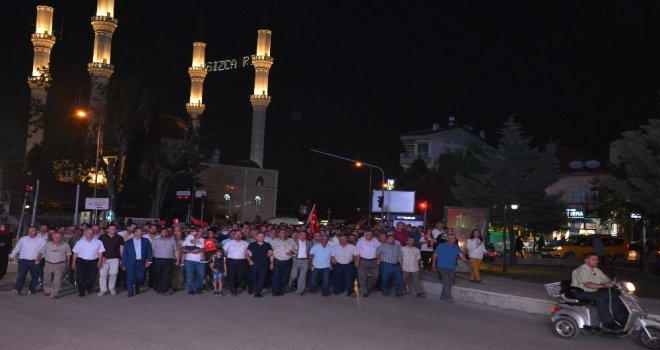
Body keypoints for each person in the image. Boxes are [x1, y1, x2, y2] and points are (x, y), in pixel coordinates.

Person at [570, 252, 627, 330]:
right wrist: (604, 286)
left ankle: (619, 320)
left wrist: (614, 283)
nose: (596, 261)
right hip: (579, 292)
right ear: (586, 260)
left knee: (615, 296)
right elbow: (588, 285)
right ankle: (607, 323)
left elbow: (605, 279)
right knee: (600, 299)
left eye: (597, 259)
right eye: (593, 259)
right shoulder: (581, 270)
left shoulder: (596, 269)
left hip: (592, 291)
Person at [431, 233, 468, 303]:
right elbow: (435, 256)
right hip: (442, 266)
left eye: (454, 238)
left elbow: (461, 256)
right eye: (452, 238)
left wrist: (468, 262)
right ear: (447, 239)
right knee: (447, 282)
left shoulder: (456, 247)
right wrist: (433, 265)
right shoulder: (441, 246)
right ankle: (448, 297)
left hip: (451, 267)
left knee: (449, 282)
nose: (454, 239)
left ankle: (442, 296)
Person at [10, 227, 46, 295]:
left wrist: (39, 259)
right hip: (23, 261)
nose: (30, 232)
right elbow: (17, 247)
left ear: (37, 232)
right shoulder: (23, 239)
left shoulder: (42, 240)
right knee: (21, 275)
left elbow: (44, 251)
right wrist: (12, 255)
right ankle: (18, 289)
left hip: (35, 261)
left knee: (35, 276)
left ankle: (32, 289)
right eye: (29, 230)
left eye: (32, 230)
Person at [72, 228, 105, 297]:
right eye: (88, 232)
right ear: (85, 233)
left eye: (91, 233)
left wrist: (99, 261)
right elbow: (75, 252)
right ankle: (81, 292)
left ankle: (89, 287)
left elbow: (100, 252)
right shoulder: (80, 242)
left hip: (93, 262)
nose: (90, 234)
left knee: (92, 277)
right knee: (80, 277)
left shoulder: (98, 242)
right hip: (81, 261)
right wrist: (73, 262)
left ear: (94, 234)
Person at [38, 231, 71, 298]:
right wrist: (37, 259)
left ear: (62, 237)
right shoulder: (48, 244)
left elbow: (68, 255)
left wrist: (68, 264)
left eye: (59, 237)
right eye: (55, 237)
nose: (57, 239)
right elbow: (41, 252)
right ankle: (47, 291)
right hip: (48, 264)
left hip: (60, 264)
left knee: (57, 280)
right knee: (47, 279)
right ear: (52, 237)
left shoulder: (66, 245)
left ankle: (54, 293)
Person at [121, 228, 153, 297]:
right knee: (130, 277)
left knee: (141, 277)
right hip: (130, 262)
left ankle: (137, 287)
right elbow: (124, 254)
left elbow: (149, 252)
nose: (142, 233)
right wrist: (123, 264)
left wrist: (149, 261)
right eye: (140, 231)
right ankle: (130, 291)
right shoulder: (128, 242)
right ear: (135, 233)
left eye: (142, 232)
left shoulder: (146, 241)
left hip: (141, 262)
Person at [98, 223, 124, 296]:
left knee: (114, 273)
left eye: (114, 229)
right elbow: (99, 248)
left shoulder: (119, 238)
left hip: (115, 258)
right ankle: (103, 289)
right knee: (103, 274)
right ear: (107, 230)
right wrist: (101, 257)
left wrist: (122, 259)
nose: (113, 230)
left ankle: (111, 288)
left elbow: (121, 249)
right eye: (111, 229)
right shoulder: (102, 237)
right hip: (104, 258)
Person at [152, 228, 180, 295]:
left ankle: (164, 290)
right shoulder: (155, 241)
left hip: (168, 260)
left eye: (166, 231)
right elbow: (152, 250)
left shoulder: (172, 241)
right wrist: (149, 260)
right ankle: (157, 288)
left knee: (166, 275)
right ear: (160, 233)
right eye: (163, 231)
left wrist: (177, 260)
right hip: (157, 260)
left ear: (168, 233)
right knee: (157, 274)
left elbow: (176, 250)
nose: (165, 233)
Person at [376, 233, 404, 297]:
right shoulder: (382, 247)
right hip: (386, 265)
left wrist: (401, 265)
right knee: (385, 279)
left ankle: (398, 293)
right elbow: (377, 254)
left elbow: (400, 256)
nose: (392, 240)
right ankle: (385, 292)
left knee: (399, 279)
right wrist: (378, 260)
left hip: (396, 265)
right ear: (386, 240)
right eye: (390, 238)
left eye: (393, 239)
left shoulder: (397, 247)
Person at [269, 228, 296, 296]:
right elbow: (269, 251)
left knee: (285, 277)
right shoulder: (274, 241)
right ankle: (275, 291)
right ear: (278, 234)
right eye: (281, 232)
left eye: (285, 232)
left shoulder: (291, 241)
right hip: (278, 261)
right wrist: (271, 262)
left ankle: (281, 290)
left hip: (288, 261)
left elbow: (295, 249)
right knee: (276, 276)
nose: (283, 233)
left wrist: (293, 252)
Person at [246, 232, 273, 298]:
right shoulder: (251, 245)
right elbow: (247, 254)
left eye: (262, 236)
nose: (261, 237)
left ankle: (258, 292)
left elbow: (270, 253)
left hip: (264, 264)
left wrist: (272, 262)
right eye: (259, 236)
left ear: (264, 237)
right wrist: (250, 261)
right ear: (256, 237)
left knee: (262, 278)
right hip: (253, 264)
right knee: (253, 278)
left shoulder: (267, 245)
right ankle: (251, 288)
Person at [224, 230, 250, 296]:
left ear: (242, 235)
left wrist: (247, 253)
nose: (238, 235)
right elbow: (223, 251)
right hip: (231, 261)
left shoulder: (245, 243)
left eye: (239, 234)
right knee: (232, 276)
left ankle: (234, 287)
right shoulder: (229, 243)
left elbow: (249, 253)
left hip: (242, 262)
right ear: (234, 235)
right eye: (236, 234)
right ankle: (233, 291)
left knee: (240, 276)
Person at [355, 230, 380, 297]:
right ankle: (364, 292)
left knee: (375, 276)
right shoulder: (360, 241)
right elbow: (357, 252)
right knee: (362, 277)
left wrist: (378, 259)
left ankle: (366, 288)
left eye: (370, 235)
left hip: (373, 261)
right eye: (367, 235)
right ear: (364, 235)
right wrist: (357, 261)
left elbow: (379, 251)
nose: (368, 236)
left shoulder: (376, 241)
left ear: (372, 235)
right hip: (363, 261)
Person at [182, 228, 206, 295]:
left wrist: (200, 250)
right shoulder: (188, 239)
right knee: (189, 276)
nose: (200, 233)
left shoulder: (204, 240)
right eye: (199, 231)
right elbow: (182, 249)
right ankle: (191, 289)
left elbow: (206, 250)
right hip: (189, 260)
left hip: (200, 261)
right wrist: (191, 251)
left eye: (202, 232)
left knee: (202, 275)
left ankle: (198, 287)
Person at [288, 230, 312, 295]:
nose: (303, 236)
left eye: (305, 235)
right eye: (302, 234)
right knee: (294, 275)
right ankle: (290, 283)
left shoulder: (309, 243)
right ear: (299, 235)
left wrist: (310, 263)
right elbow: (290, 250)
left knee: (302, 277)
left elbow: (310, 253)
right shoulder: (294, 242)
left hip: (305, 261)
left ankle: (300, 291)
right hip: (296, 260)